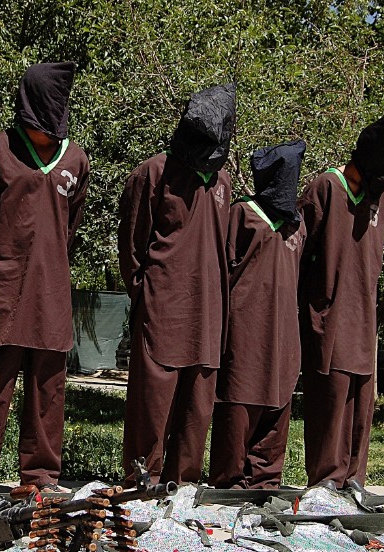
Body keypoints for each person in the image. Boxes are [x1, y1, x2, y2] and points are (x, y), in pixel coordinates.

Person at [0, 62, 89, 494]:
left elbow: (70, 225)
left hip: (51, 293)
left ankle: (41, 476)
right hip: (3, 287)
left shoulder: (75, 158)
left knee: (47, 393)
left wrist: (48, 262)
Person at [117, 84, 236, 485]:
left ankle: (181, 484)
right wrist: (149, 295)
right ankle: (141, 480)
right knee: (152, 405)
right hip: (162, 309)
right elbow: (133, 248)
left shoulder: (224, 183)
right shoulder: (153, 173)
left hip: (208, 312)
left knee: (196, 409)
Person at [298, 112, 384, 488]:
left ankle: (353, 478)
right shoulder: (326, 187)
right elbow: (298, 253)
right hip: (328, 314)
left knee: (361, 404)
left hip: (363, 316)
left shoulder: (382, 196)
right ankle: (326, 479)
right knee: (330, 402)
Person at [209, 140, 307, 489]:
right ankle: (229, 485)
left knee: (276, 411)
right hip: (244, 334)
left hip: (283, 338)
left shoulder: (298, 226)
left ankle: (264, 483)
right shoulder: (242, 215)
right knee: (238, 407)